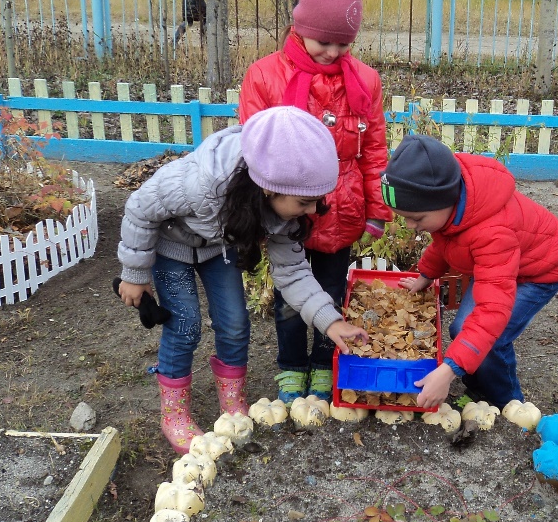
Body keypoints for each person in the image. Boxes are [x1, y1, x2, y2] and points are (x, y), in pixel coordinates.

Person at [117, 106, 370, 455]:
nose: (313, 211)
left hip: (216, 248)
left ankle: (232, 403)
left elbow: (294, 273)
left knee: (235, 322)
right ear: (268, 189)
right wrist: (134, 274)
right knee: (185, 323)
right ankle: (174, 414)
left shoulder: (278, 213)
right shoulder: (198, 183)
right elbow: (139, 208)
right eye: (304, 202)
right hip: (170, 244)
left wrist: (331, 323)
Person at [238, 0, 391, 404]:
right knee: (290, 289)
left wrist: (377, 209)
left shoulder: (364, 80)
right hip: (287, 205)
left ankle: (325, 363)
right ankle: (291, 365)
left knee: (332, 287)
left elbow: (374, 149)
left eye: (343, 43)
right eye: (324, 41)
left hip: (342, 208)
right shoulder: (266, 76)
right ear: (300, 28)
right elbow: (254, 146)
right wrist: (260, 209)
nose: (332, 51)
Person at [380, 134, 558, 411]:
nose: (410, 226)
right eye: (404, 217)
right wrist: (424, 276)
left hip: (539, 271)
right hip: (501, 267)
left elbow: (492, 311)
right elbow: (445, 243)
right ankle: (478, 378)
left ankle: (507, 402)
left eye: (417, 218)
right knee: (462, 329)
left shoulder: (491, 234)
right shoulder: (451, 207)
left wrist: (448, 371)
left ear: (444, 200)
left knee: (493, 337)